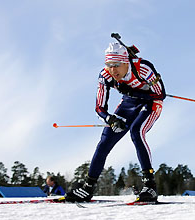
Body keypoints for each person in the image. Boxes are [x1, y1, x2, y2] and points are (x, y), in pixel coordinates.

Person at [65, 41, 166, 202]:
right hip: (128, 104)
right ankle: (88, 188)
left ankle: (150, 186)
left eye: (117, 65)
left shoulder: (143, 68)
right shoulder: (105, 75)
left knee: (136, 132)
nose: (113, 70)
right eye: (109, 65)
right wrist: (110, 119)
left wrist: (133, 91)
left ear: (126, 62)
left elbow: (160, 94)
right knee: (105, 140)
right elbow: (99, 107)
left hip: (150, 103)